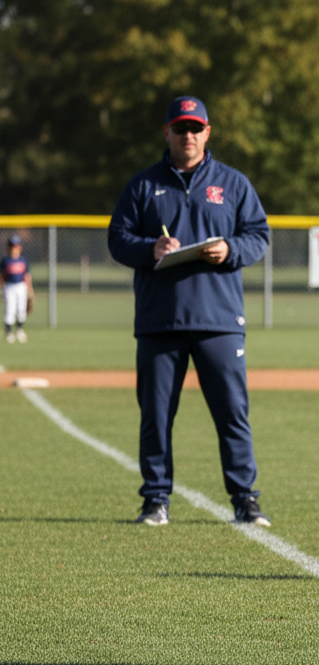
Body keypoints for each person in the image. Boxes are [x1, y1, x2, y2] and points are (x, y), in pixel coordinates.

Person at [108, 95, 272, 527]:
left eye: (195, 128)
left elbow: (259, 234)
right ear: (166, 133)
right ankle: (156, 500)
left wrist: (230, 248)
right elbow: (117, 239)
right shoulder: (143, 186)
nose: (188, 136)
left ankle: (245, 500)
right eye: (179, 128)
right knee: (156, 416)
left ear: (207, 133)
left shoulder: (233, 183)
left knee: (233, 414)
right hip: (160, 320)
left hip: (219, 320)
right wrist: (151, 248)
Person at [2, 234, 33, 344]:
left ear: (20, 247)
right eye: (12, 246)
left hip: (21, 286)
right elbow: (1, 277)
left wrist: (30, 289)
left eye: (16, 246)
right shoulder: (5, 261)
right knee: (10, 309)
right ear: (9, 247)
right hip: (9, 286)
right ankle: (9, 331)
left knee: (21, 309)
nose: (14, 248)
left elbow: (27, 275)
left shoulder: (23, 260)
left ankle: (19, 329)